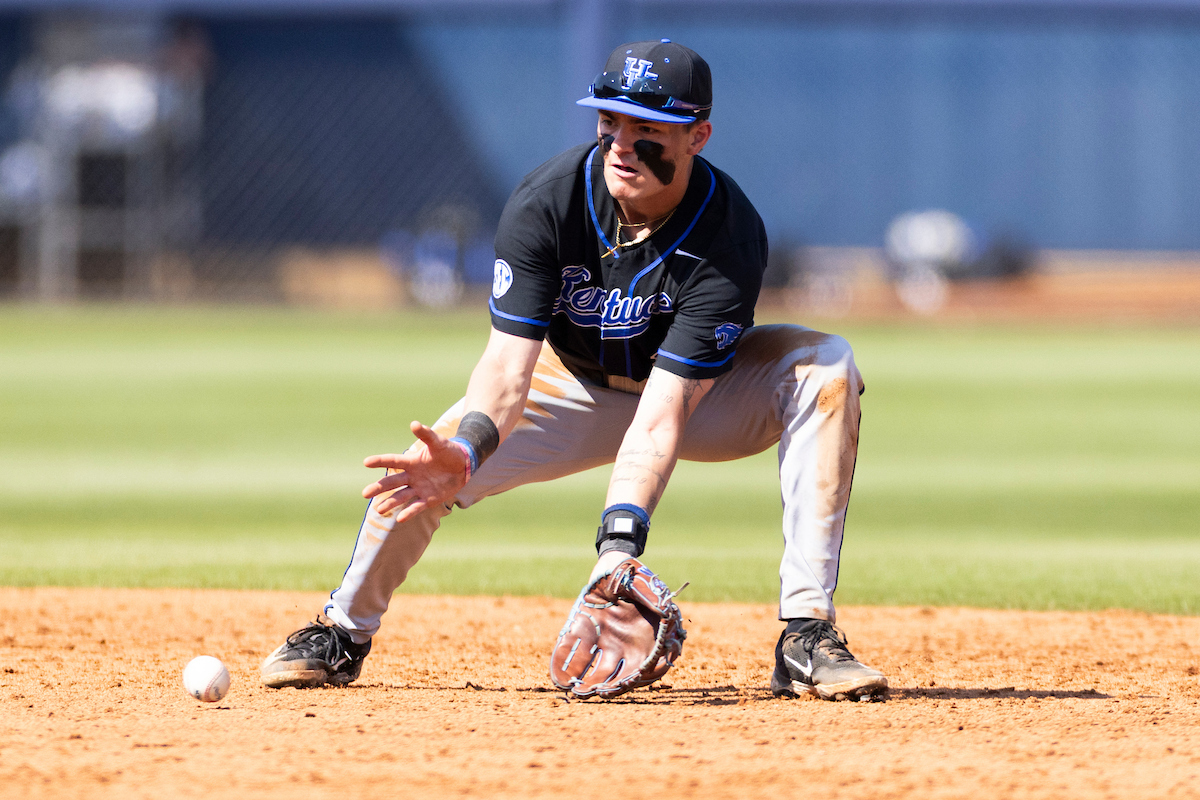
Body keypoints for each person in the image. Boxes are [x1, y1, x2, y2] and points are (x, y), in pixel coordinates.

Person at [261, 39, 888, 702]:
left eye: (647, 128)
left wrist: (618, 547)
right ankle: (341, 631)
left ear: (698, 135)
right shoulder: (548, 203)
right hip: (571, 387)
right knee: (430, 464)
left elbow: (664, 410)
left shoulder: (726, 234)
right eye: (609, 122)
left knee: (826, 366)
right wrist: (470, 448)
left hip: (700, 403)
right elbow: (506, 368)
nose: (622, 144)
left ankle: (805, 636)